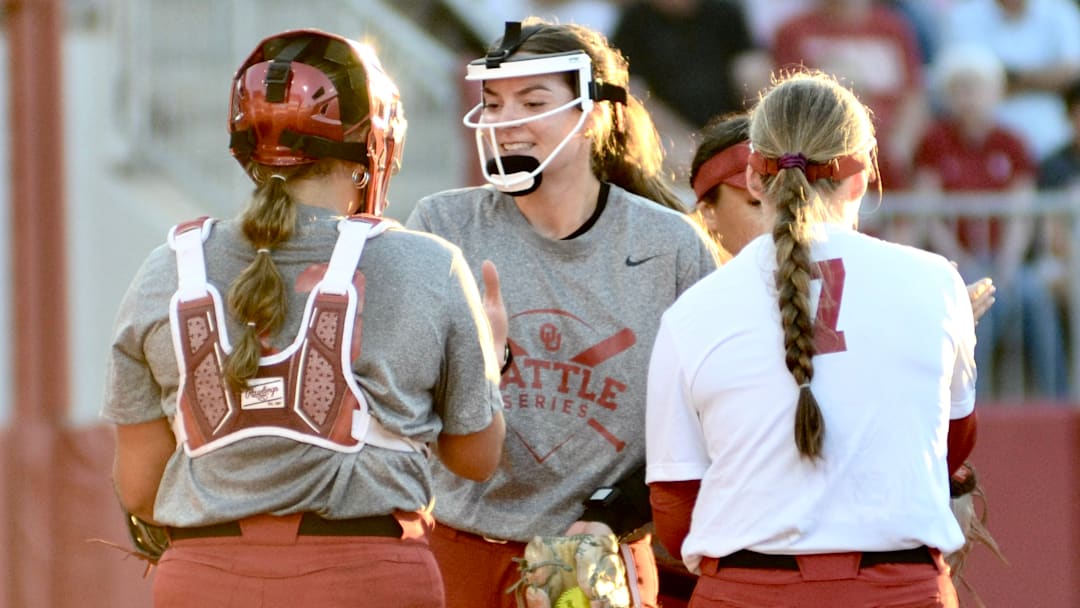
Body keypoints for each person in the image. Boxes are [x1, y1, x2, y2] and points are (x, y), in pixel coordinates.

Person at [100, 29, 506, 608]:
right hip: (369, 578)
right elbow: (475, 459)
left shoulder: (166, 269)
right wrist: (491, 357)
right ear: (371, 145)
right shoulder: (427, 265)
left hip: (205, 578)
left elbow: (139, 490)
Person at [405, 18, 719, 608]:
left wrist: (618, 512)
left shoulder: (670, 245)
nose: (504, 120)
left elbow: (709, 416)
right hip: (460, 546)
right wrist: (478, 365)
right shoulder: (442, 226)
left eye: (532, 100)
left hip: (599, 554)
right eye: (493, 102)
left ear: (594, 114)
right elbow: (397, 406)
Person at [646, 69, 977, 607]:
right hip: (899, 591)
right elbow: (953, 444)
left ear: (755, 179)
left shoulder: (692, 313)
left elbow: (675, 506)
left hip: (745, 591)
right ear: (862, 177)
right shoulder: (938, 281)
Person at [913, 43, 1067, 399]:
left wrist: (1005, 267)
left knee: (1035, 297)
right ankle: (968, 403)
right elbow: (928, 211)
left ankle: (1056, 399)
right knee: (969, 307)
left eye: (977, 88)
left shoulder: (1013, 142)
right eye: (960, 88)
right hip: (954, 263)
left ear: (996, 93)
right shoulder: (934, 141)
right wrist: (963, 263)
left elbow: (1021, 213)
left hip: (1006, 263)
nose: (969, 98)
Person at [771, 0, 930, 191]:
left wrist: (899, 149)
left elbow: (914, 95)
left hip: (883, 150)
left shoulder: (894, 28)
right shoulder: (794, 31)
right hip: (820, 151)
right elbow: (787, 101)